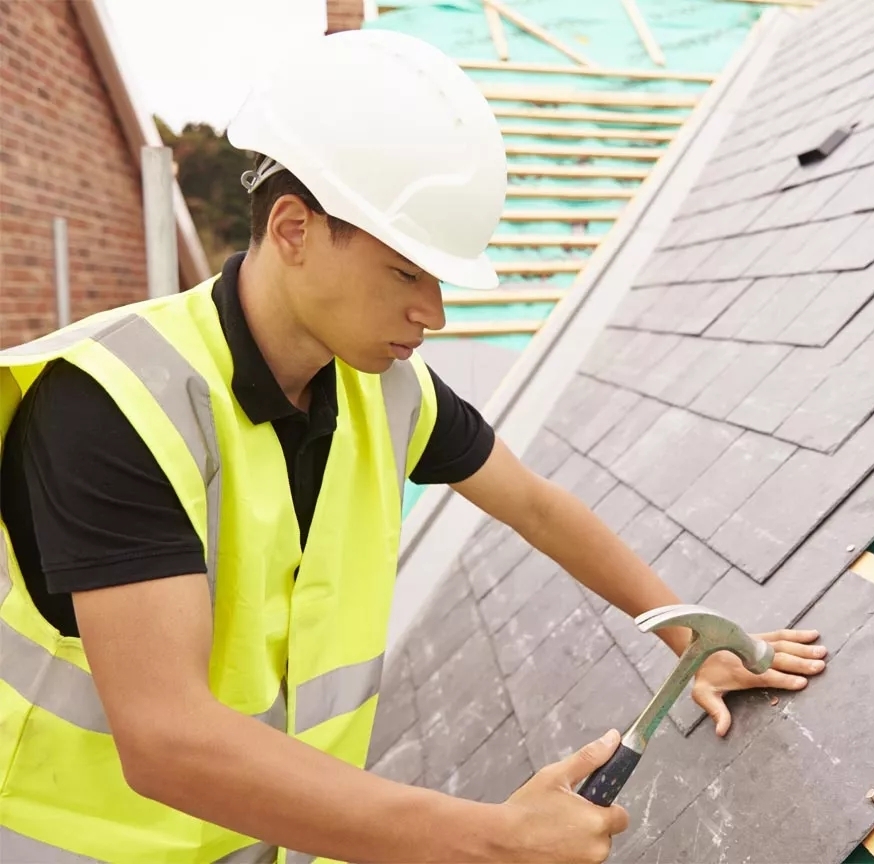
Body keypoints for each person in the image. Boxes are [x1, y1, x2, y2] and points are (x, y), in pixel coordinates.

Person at [0, 28, 829, 864]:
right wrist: (493, 840)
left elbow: (537, 507)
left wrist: (695, 643)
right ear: (292, 229)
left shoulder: (384, 389)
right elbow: (166, 739)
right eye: (406, 274)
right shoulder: (112, 407)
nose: (433, 314)